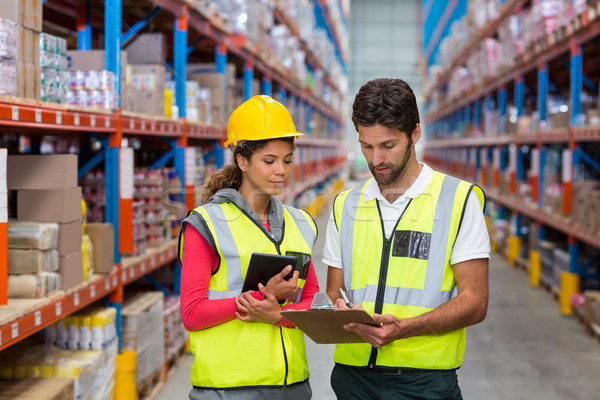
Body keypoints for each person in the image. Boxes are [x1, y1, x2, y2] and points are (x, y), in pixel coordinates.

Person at [323, 78, 490, 400]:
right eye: (366, 145)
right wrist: (338, 308)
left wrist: (404, 329)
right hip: (351, 378)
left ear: (414, 133)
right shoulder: (346, 204)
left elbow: (475, 302)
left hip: (424, 382)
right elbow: (334, 290)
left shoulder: (458, 199)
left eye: (388, 146)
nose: (375, 160)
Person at [179, 95, 319, 400]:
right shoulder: (207, 223)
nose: (281, 170)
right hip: (228, 389)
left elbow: (309, 301)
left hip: (292, 387)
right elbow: (191, 313)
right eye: (269, 161)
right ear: (242, 160)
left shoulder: (301, 223)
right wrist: (261, 298)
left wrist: (278, 315)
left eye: (287, 160)